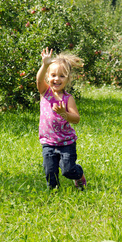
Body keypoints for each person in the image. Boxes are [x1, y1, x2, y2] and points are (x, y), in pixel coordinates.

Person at [36, 47, 87, 190]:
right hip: (48, 142)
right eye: (53, 75)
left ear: (68, 79)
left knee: (67, 170)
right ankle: (53, 192)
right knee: (50, 170)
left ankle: (79, 175)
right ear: (48, 77)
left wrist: (64, 113)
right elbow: (38, 79)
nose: (56, 79)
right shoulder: (45, 92)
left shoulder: (68, 99)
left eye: (62, 76)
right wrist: (45, 65)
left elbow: (76, 119)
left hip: (66, 142)